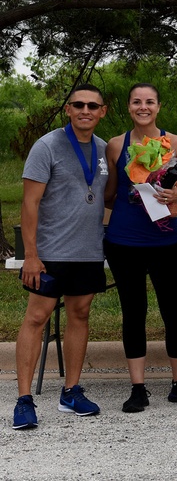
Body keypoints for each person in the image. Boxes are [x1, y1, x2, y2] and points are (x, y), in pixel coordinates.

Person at [13, 84, 111, 430]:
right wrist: (31, 255)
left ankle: (70, 391)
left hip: (87, 251)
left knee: (80, 314)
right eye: (78, 104)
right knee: (37, 318)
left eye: (93, 106)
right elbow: (29, 203)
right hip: (50, 253)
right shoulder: (47, 146)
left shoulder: (102, 150)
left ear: (102, 112)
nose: (86, 110)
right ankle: (24, 399)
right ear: (68, 110)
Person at [104, 83, 177, 413]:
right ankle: (138, 388)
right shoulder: (117, 145)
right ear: (129, 107)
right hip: (124, 241)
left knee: (174, 312)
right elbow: (110, 193)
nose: (143, 107)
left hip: (165, 241)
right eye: (136, 102)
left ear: (159, 106)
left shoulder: (173, 142)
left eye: (149, 102)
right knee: (134, 312)